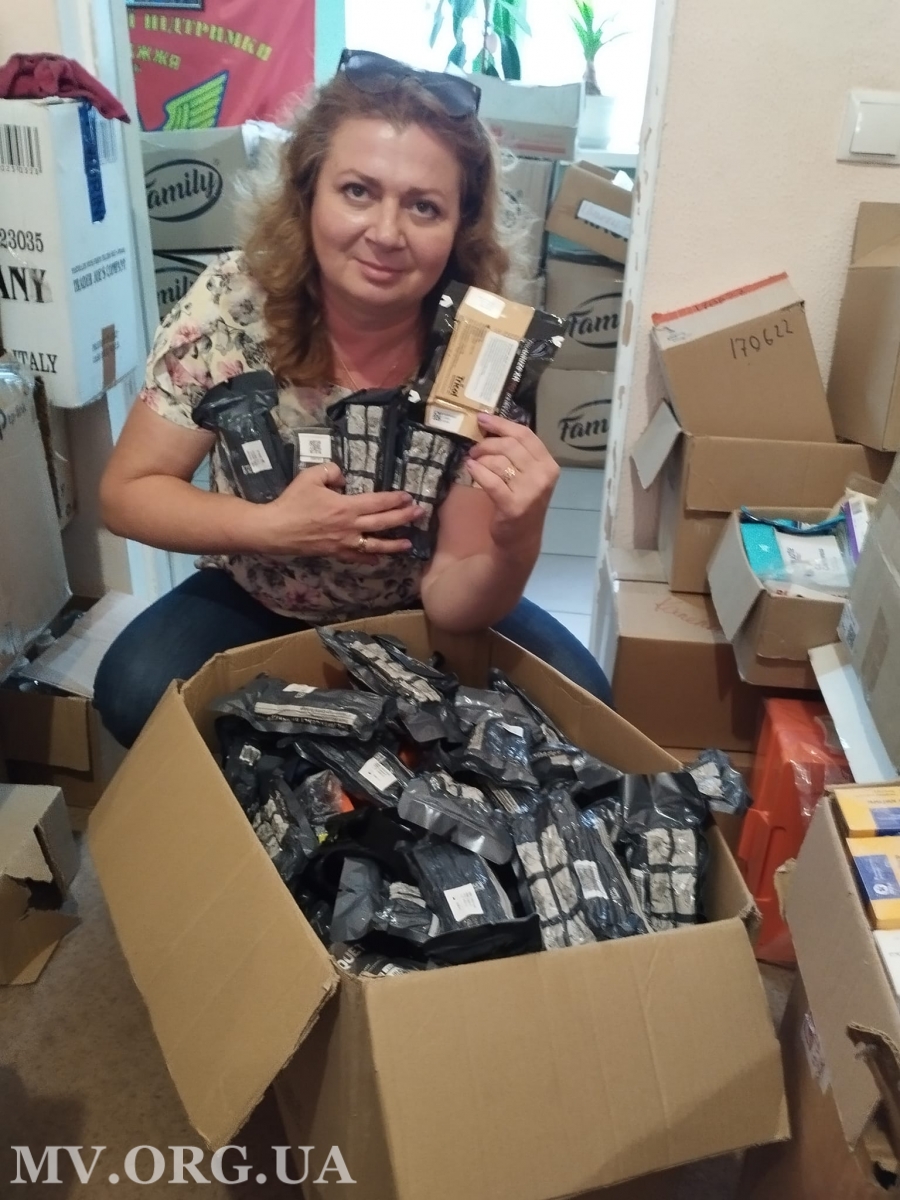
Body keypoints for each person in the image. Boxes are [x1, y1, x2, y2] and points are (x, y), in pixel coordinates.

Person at [95, 49, 611, 749]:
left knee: (586, 707)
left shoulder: (482, 345)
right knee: (133, 689)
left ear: (460, 226)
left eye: (424, 206)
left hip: (414, 604)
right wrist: (273, 528)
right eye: (358, 191)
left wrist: (519, 537)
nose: (387, 234)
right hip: (258, 593)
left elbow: (452, 599)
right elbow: (127, 493)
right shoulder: (233, 303)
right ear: (308, 193)